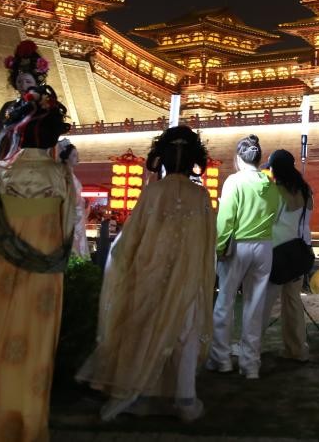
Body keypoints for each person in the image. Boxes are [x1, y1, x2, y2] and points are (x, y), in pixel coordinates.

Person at [0, 43, 77, 441]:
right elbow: (68, 227)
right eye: (21, 77)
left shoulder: (40, 113)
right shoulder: (13, 115)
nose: (26, 82)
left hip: (11, 189)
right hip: (30, 187)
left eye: (31, 77)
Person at [76, 125, 215, 423]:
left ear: (162, 158)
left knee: (144, 331)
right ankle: (185, 398)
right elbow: (207, 244)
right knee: (185, 335)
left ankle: (139, 392)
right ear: (193, 159)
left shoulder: (152, 192)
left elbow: (130, 239)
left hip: (150, 275)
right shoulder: (200, 196)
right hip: (188, 278)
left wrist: (119, 262)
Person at [207, 135, 281, 380]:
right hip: (264, 246)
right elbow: (275, 214)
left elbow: (226, 218)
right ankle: (250, 365)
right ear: (259, 159)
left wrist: (219, 247)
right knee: (255, 305)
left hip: (238, 246)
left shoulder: (234, 181)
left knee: (225, 302)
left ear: (239, 158)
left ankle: (221, 358)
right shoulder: (270, 184)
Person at [265, 149, 313, 363]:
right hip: (298, 253)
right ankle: (297, 350)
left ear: (275, 169)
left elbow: (268, 221)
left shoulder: (275, 191)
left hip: (275, 254)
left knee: (263, 304)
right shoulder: (306, 190)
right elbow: (305, 223)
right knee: (293, 303)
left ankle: (250, 349)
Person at [0, 39, 51, 167]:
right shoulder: (8, 107)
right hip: (6, 161)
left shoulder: (45, 105)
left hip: (35, 163)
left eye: (28, 82)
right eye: (19, 82)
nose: (23, 86)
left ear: (36, 83)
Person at [57, 139, 90, 259]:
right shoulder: (66, 176)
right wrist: (81, 201)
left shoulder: (69, 175)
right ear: (66, 158)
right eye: (74, 155)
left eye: (77, 155)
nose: (77, 158)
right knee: (74, 244)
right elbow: (70, 198)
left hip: (77, 215)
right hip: (73, 215)